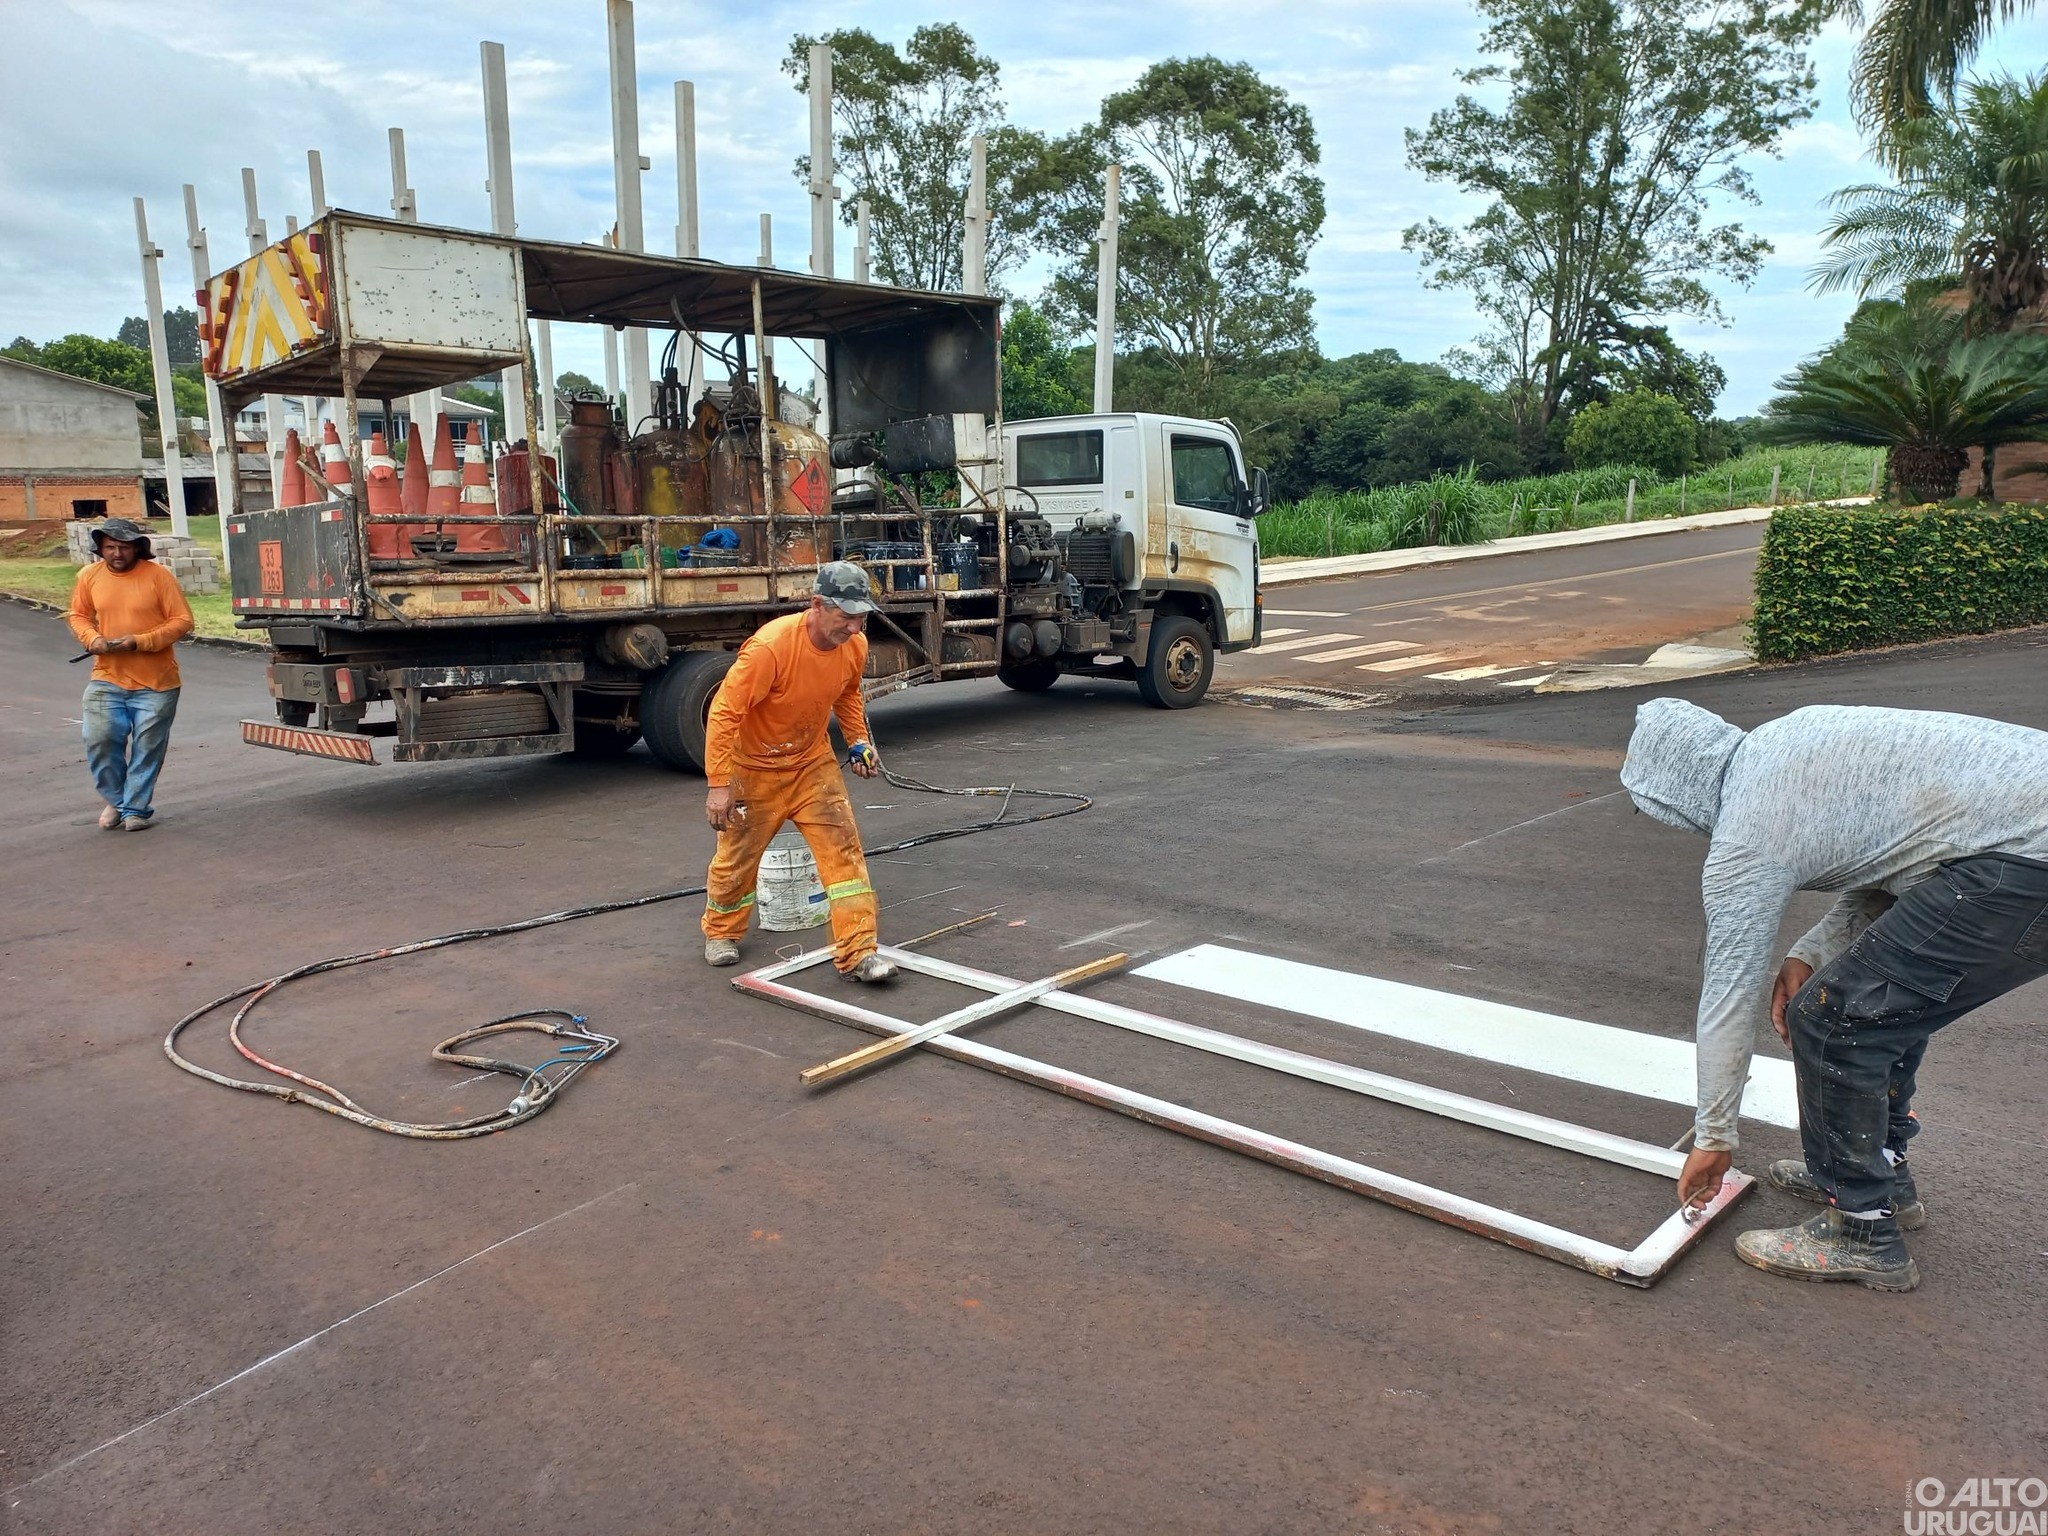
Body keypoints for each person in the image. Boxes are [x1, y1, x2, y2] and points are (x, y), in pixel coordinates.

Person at [1621, 698, 2048, 1291]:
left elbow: (1729, 997)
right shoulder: (1787, 740)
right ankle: (1884, 1178)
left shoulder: (1747, 832)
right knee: (1887, 1002)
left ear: (1674, 793)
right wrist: (1809, 952)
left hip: (2025, 865)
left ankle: (1861, 1229)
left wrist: (1715, 1137)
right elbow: (1900, 855)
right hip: (2014, 842)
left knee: (1834, 1018)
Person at [700, 562, 896, 983]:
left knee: (844, 854)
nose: (855, 627)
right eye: (846, 616)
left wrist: (859, 741)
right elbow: (724, 713)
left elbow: (846, 695)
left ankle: (859, 951)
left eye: (861, 616)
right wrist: (719, 785)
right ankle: (721, 933)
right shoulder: (771, 648)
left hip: (811, 765)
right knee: (737, 857)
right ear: (817, 605)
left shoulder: (854, 647)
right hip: (753, 769)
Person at [66, 517, 195, 831]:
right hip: (107, 676)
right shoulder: (89, 576)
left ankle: (134, 809)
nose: (117, 553)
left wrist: (140, 642)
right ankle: (118, 801)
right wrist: (92, 639)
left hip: (158, 682)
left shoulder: (158, 576)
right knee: (99, 739)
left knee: (147, 749)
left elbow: (182, 621)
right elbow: (79, 615)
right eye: (110, 547)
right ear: (101, 549)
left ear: (138, 548)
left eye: (124, 547)